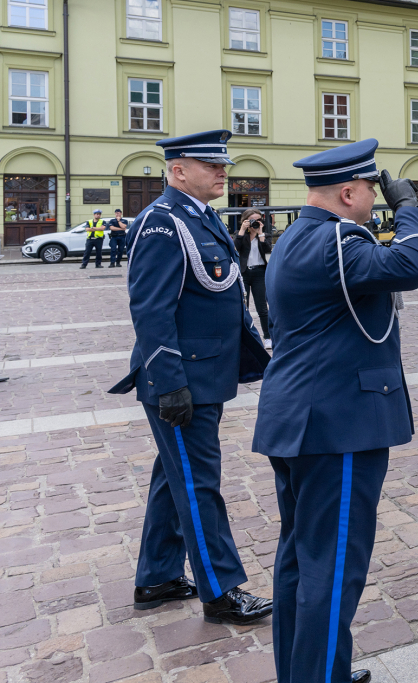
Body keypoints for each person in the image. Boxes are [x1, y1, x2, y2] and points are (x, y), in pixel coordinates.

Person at [253, 139, 418, 683]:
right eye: (373, 196)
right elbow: (410, 264)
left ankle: (310, 670)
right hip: (337, 426)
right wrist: (411, 210)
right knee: (332, 570)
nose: (376, 205)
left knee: (301, 562)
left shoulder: (297, 236)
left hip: (301, 419)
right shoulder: (335, 239)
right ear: (350, 192)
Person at [108, 129, 273, 625]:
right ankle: (220, 590)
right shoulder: (162, 223)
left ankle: (157, 577)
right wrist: (169, 381)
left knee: (172, 477)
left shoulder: (200, 217)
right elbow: (151, 309)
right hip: (183, 382)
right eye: (211, 165)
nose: (223, 171)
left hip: (204, 375)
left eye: (223, 164)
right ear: (178, 170)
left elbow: (226, 293)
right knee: (200, 483)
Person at [234, 208, 273, 349]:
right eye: (252, 220)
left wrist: (261, 235)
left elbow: (268, 250)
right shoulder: (241, 235)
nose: (255, 222)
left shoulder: (265, 235)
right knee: (243, 306)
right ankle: (245, 336)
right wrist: (242, 231)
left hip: (259, 273)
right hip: (244, 273)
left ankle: (268, 337)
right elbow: (234, 248)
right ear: (245, 221)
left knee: (262, 307)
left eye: (258, 220)